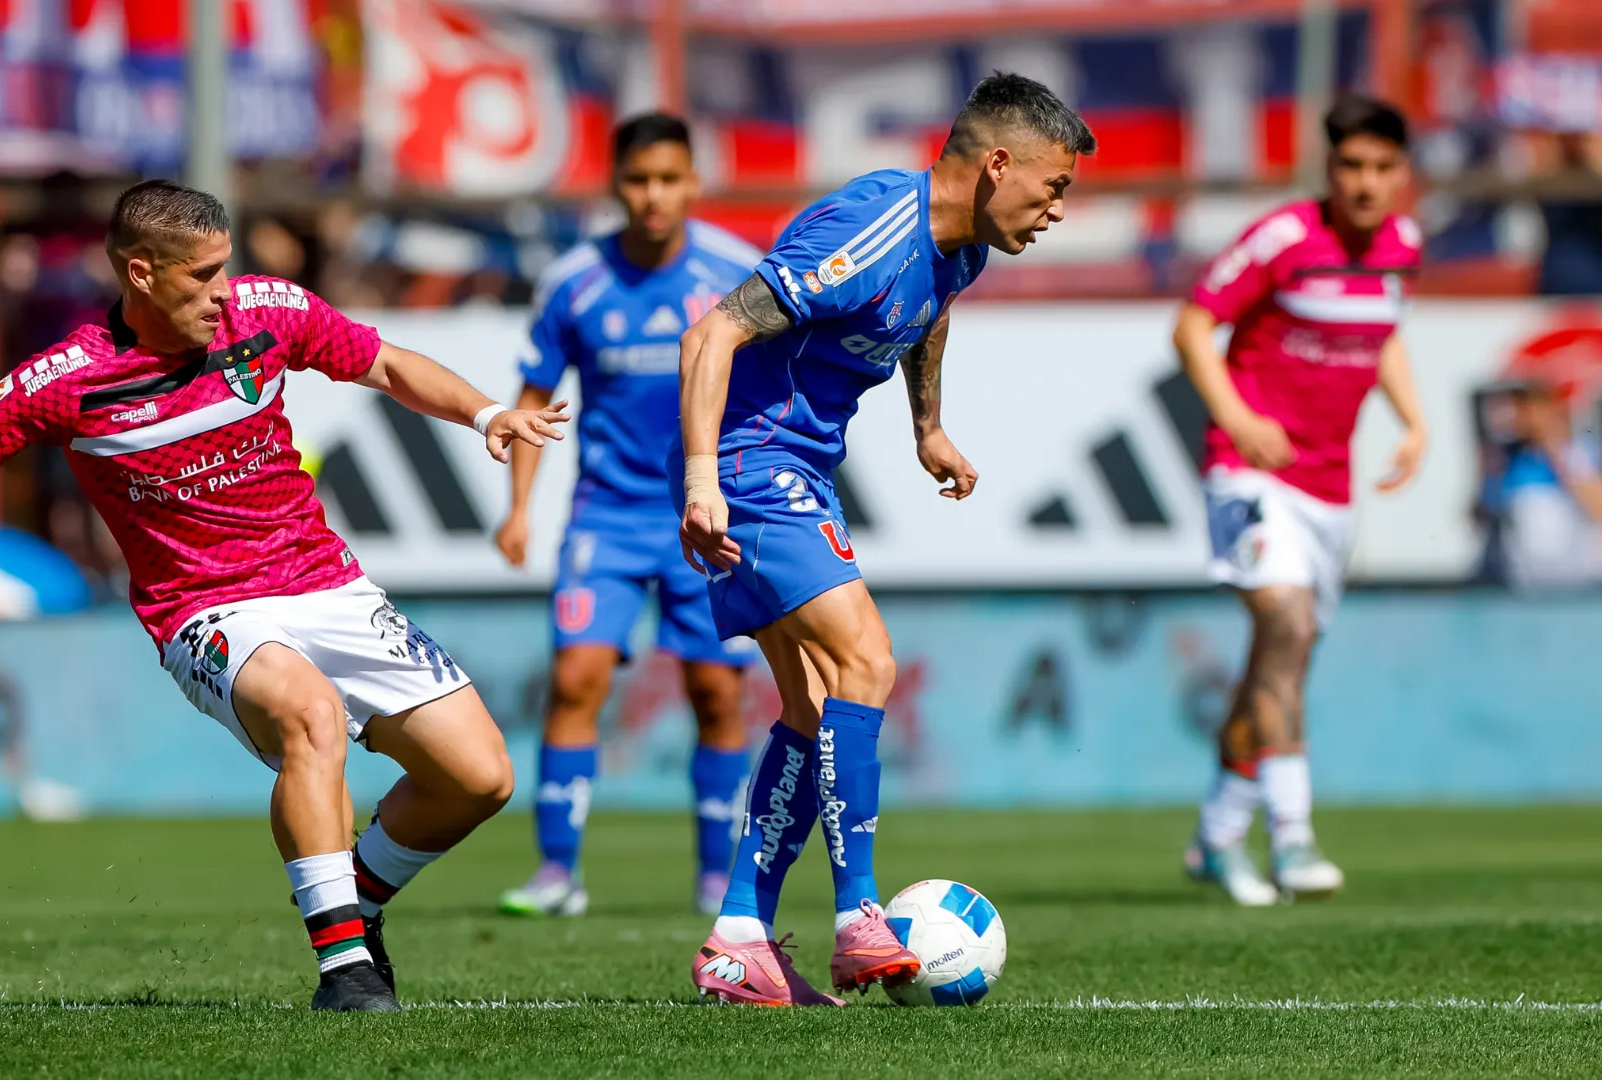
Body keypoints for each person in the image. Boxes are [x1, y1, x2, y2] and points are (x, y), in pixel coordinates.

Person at [0, 180, 569, 1012]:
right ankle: (346, 973)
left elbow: (388, 363)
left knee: (479, 777)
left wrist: (485, 414)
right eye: (203, 275)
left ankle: (352, 902)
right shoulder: (66, 379)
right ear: (141, 273)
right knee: (312, 717)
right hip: (207, 611)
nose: (224, 291)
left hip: (326, 582)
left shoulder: (267, 312)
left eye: (227, 267)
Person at [677, 72, 1095, 1006]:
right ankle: (860, 916)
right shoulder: (871, 229)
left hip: (793, 466)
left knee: (810, 704)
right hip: (748, 461)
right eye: (1054, 186)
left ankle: (739, 938)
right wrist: (704, 482)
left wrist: (927, 428)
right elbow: (710, 338)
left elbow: (929, 314)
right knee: (866, 661)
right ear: (998, 165)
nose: (1059, 210)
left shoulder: (960, 251)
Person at [494, 113, 763, 919]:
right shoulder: (574, 281)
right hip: (605, 519)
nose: (653, 196)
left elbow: (770, 384)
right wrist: (518, 509)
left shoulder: (735, 273)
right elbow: (535, 396)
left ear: (693, 182)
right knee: (575, 679)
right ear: (616, 184)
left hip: (703, 514)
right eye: (639, 179)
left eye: (669, 179)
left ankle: (718, 878)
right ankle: (557, 872)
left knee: (715, 692)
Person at [1177, 95, 1428, 906]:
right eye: (1351, 165)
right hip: (1252, 474)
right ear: (1329, 168)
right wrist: (1239, 420)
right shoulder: (1283, 238)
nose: (1366, 182)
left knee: (1278, 663)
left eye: (1382, 167)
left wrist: (1414, 420)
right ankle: (1293, 839)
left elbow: (1382, 333)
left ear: (1403, 173)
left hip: (1330, 489)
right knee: (1283, 624)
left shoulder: (1402, 246)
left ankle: (1217, 837)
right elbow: (1193, 326)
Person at [1495, 381, 1602, 590]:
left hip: (1578, 585)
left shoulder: (1579, 452)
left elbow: (1598, 508)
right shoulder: (1514, 459)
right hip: (1528, 585)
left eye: (1532, 407)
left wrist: (1558, 452)